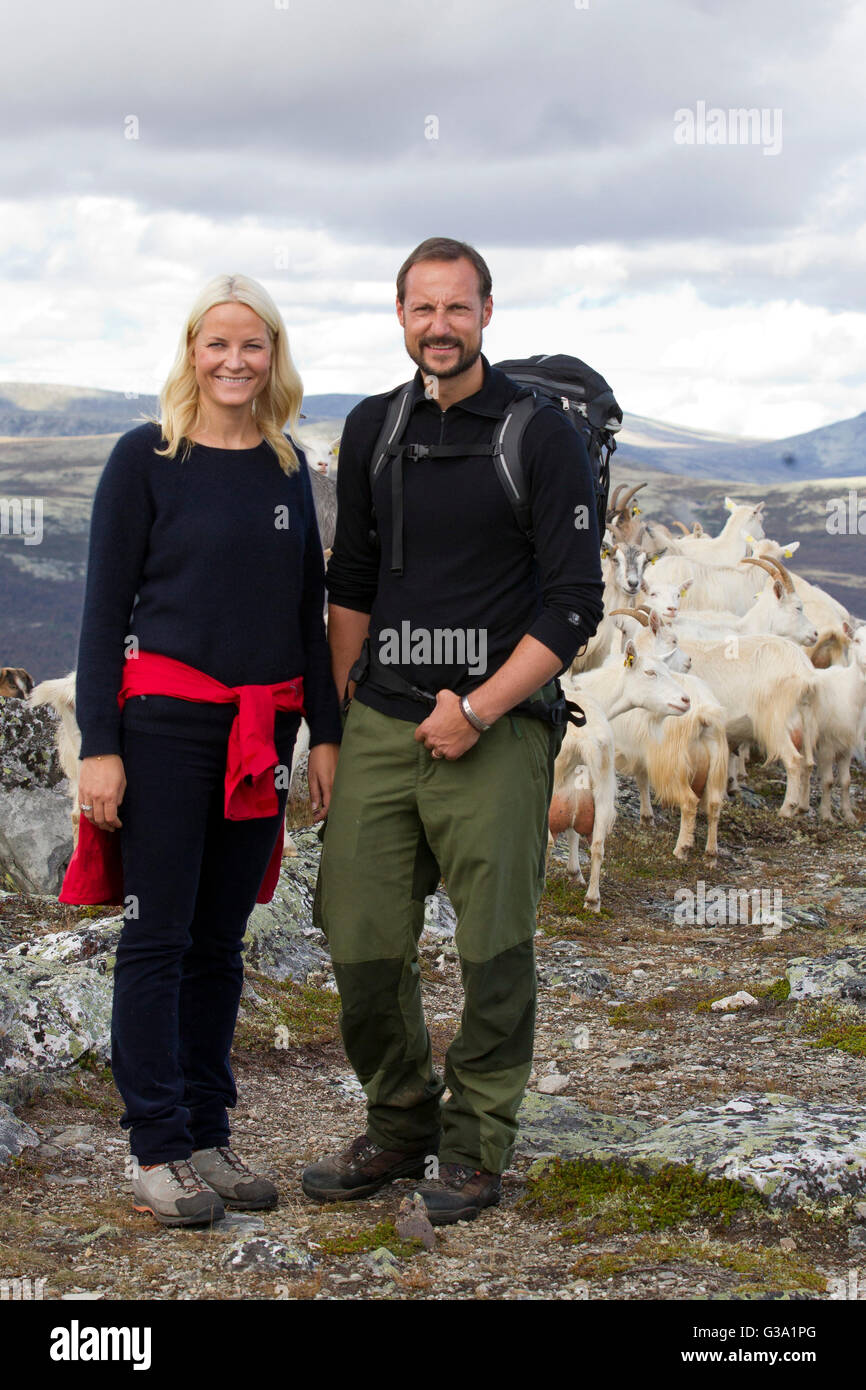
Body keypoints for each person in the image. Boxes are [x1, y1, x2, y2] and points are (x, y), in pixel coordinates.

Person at [302, 237, 605, 1225]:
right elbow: (352, 581)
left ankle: (474, 1148)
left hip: (498, 726)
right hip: (383, 720)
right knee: (357, 933)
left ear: (486, 315)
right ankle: (399, 1121)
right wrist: (337, 725)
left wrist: (477, 708)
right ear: (401, 316)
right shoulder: (373, 427)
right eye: (422, 308)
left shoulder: (537, 435)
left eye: (457, 308)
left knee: (493, 947)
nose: (439, 326)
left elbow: (573, 602)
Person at [70, 274, 341, 1226]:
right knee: (159, 936)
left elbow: (307, 614)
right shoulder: (144, 457)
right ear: (192, 351)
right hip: (165, 731)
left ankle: (208, 1134)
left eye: (252, 344)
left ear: (275, 355)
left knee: (222, 942)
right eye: (217, 343)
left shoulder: (285, 465)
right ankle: (157, 1148)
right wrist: (99, 747)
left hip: (262, 733)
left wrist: (325, 735)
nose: (235, 360)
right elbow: (103, 611)